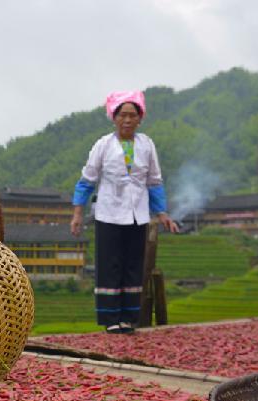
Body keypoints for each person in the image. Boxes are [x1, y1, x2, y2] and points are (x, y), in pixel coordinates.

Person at [70, 90, 178, 334]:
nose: (127, 120)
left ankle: (129, 318)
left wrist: (161, 213)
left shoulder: (147, 145)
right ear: (114, 117)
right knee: (110, 264)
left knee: (133, 265)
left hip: (137, 213)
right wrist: (78, 213)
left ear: (140, 119)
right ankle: (111, 319)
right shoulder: (103, 145)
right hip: (109, 213)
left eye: (132, 115)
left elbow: (154, 182)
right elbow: (87, 181)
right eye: (122, 115)